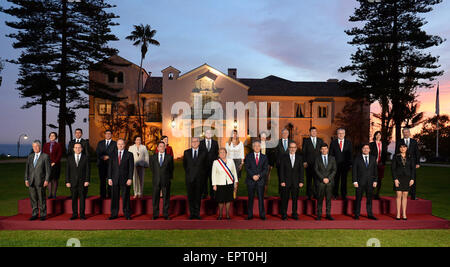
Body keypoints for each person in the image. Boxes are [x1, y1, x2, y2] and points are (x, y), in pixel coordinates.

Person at [107, 139, 134, 220]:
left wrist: (130, 178)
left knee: (126, 197)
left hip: (125, 179)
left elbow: (131, 168)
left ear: (124, 145)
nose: (120, 145)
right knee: (114, 197)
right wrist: (109, 178)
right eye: (119, 144)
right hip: (114, 179)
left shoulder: (129, 154)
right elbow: (110, 167)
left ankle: (127, 214)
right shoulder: (112, 154)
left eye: (122, 144)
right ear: (117, 145)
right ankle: (114, 214)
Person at [24, 140, 51, 221]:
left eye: (37, 146)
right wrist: (26, 179)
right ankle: (34, 214)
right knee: (33, 198)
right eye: (33, 146)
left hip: (41, 181)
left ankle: (43, 214)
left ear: (40, 147)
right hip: (31, 181)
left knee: (41, 198)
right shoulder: (30, 156)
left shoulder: (45, 156)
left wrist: (46, 180)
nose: (35, 148)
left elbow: (48, 170)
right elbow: (27, 169)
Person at [352, 144, 378, 220]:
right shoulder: (357, 158)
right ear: (362, 149)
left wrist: (375, 180)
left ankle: (370, 214)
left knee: (369, 199)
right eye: (364, 148)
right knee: (358, 199)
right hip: (359, 182)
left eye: (367, 148)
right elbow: (354, 171)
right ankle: (357, 214)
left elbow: (375, 171)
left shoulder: (373, 158)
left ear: (369, 150)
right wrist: (354, 181)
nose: (366, 150)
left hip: (370, 182)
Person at [279, 141, 304, 220]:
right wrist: (282, 181)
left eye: (294, 147)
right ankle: (284, 214)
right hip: (286, 182)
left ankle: (294, 213)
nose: (292, 149)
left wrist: (301, 181)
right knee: (284, 199)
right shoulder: (284, 157)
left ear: (296, 149)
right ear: (289, 148)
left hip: (296, 182)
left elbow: (301, 171)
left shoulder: (299, 158)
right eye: (291, 147)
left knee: (295, 199)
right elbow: (281, 170)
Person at [183, 137, 207, 220]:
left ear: (199, 143)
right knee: (191, 197)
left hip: (199, 179)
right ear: (191, 143)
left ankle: (197, 213)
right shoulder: (186, 152)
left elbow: (205, 165)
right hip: (189, 179)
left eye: (196, 141)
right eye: (193, 141)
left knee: (198, 197)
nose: (194, 143)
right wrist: (189, 174)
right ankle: (192, 213)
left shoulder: (203, 153)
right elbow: (185, 165)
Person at [212, 148, 238, 220]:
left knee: (228, 199)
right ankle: (220, 215)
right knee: (220, 200)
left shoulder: (231, 161)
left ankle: (227, 215)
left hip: (229, 183)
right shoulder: (216, 162)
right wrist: (214, 184)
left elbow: (234, 172)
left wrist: (235, 182)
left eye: (224, 152)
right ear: (218, 154)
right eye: (221, 152)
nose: (222, 154)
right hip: (220, 183)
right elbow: (213, 174)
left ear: (226, 153)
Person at [245, 140, 269, 220]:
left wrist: (259, 175)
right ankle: (250, 215)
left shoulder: (264, 157)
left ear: (260, 147)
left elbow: (265, 169)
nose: (257, 147)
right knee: (250, 198)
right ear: (253, 147)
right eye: (255, 146)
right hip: (251, 180)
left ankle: (262, 215)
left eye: (258, 146)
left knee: (261, 198)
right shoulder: (248, 156)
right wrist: (252, 176)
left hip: (260, 181)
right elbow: (247, 167)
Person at [65, 143, 90, 220]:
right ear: (73, 149)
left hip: (82, 182)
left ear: (82, 149)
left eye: (79, 147)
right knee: (74, 199)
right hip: (72, 182)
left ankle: (82, 215)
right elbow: (67, 171)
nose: (77, 149)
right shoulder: (69, 158)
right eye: (76, 147)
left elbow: (88, 170)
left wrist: (87, 180)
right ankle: (74, 214)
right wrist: (67, 181)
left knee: (82, 198)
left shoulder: (85, 157)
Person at [150, 141, 174, 220]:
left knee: (166, 198)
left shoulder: (169, 157)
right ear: (157, 148)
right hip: (156, 180)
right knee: (155, 198)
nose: (162, 148)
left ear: (165, 147)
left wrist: (168, 178)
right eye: (160, 146)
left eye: (163, 146)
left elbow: (171, 169)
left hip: (166, 180)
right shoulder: (153, 157)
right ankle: (155, 214)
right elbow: (152, 169)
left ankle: (166, 214)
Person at [391, 144, 416, 220]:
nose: (402, 148)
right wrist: (395, 179)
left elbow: (413, 169)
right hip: (398, 178)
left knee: (405, 196)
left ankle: (404, 214)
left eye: (404, 147)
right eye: (401, 147)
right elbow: (393, 169)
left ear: (406, 148)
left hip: (407, 178)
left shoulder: (410, 157)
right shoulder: (396, 157)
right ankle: (398, 214)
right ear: (399, 148)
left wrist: (412, 179)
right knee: (398, 196)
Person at [395, 128, 421, 200]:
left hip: (412, 163)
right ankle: (401, 194)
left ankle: (413, 195)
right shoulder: (399, 141)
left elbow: (417, 153)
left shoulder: (414, 141)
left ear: (409, 133)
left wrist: (418, 163)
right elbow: (396, 152)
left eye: (407, 132)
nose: (405, 133)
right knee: (402, 178)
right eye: (404, 132)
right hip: (402, 163)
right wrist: (396, 162)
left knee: (413, 178)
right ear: (402, 133)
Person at [314, 143, 337, 221]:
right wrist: (323, 178)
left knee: (328, 199)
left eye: (325, 149)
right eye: (322, 149)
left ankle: (328, 214)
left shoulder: (332, 158)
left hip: (330, 182)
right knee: (320, 199)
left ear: (327, 150)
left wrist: (329, 178)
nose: (324, 150)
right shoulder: (317, 159)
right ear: (320, 150)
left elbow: (334, 170)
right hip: (320, 182)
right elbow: (316, 170)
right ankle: (319, 214)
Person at [329, 128, 352, 200]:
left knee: (344, 181)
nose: (341, 134)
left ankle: (344, 195)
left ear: (344, 134)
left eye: (342, 133)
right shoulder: (333, 143)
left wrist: (350, 164)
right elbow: (331, 154)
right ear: (337, 134)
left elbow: (350, 154)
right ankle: (335, 194)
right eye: (339, 133)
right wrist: (331, 165)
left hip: (345, 165)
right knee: (335, 181)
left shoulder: (348, 143)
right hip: (335, 165)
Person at [302, 127, 324, 199]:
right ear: (310, 132)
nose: (314, 132)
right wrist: (304, 161)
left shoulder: (320, 140)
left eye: (315, 131)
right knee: (309, 180)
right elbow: (304, 152)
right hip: (308, 163)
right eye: (312, 131)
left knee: (317, 180)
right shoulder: (306, 141)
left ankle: (316, 194)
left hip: (318, 164)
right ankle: (308, 194)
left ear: (316, 132)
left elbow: (322, 152)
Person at [96, 130, 117, 199]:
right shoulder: (100, 143)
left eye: (109, 134)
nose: (108, 135)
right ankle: (103, 195)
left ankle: (110, 195)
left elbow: (116, 153)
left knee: (110, 180)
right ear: (104, 135)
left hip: (111, 165)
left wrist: (109, 157)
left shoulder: (115, 143)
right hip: (101, 165)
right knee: (102, 181)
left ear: (111, 135)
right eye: (106, 134)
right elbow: (98, 152)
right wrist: (102, 157)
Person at [200, 129, 219, 199]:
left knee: (212, 180)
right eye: (207, 133)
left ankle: (212, 194)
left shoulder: (215, 143)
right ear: (205, 134)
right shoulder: (201, 143)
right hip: (203, 166)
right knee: (203, 181)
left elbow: (217, 153)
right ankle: (204, 194)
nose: (208, 134)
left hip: (212, 165)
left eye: (210, 133)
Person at [43, 132, 62, 199]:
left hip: (56, 165)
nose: (52, 136)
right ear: (49, 136)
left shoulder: (58, 145)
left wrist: (54, 162)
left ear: (55, 137)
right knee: (49, 179)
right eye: (51, 135)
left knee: (55, 179)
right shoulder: (46, 145)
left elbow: (59, 155)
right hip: (47, 164)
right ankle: (50, 194)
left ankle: (54, 194)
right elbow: (44, 154)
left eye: (53, 135)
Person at [369, 131, 388, 199]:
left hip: (381, 164)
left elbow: (385, 154)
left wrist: (383, 162)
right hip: (373, 164)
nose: (378, 136)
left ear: (381, 136)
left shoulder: (384, 144)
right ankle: (371, 193)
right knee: (373, 179)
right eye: (377, 135)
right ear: (375, 136)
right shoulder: (371, 144)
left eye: (379, 135)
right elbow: (369, 154)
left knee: (379, 179)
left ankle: (377, 194)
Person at [275, 128, 293, 195]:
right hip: (280, 164)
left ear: (288, 134)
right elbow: (276, 153)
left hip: (290, 164)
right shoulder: (277, 142)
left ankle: (289, 193)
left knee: (289, 178)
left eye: (286, 133)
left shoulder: (291, 142)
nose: (285, 134)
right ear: (281, 134)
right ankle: (281, 193)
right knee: (281, 178)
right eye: (283, 133)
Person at [259, 131, 274, 196]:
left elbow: (272, 155)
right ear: (260, 137)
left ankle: (264, 193)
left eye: (264, 136)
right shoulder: (257, 145)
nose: (263, 138)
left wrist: (271, 165)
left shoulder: (269, 145)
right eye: (262, 136)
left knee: (266, 179)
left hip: (266, 165)